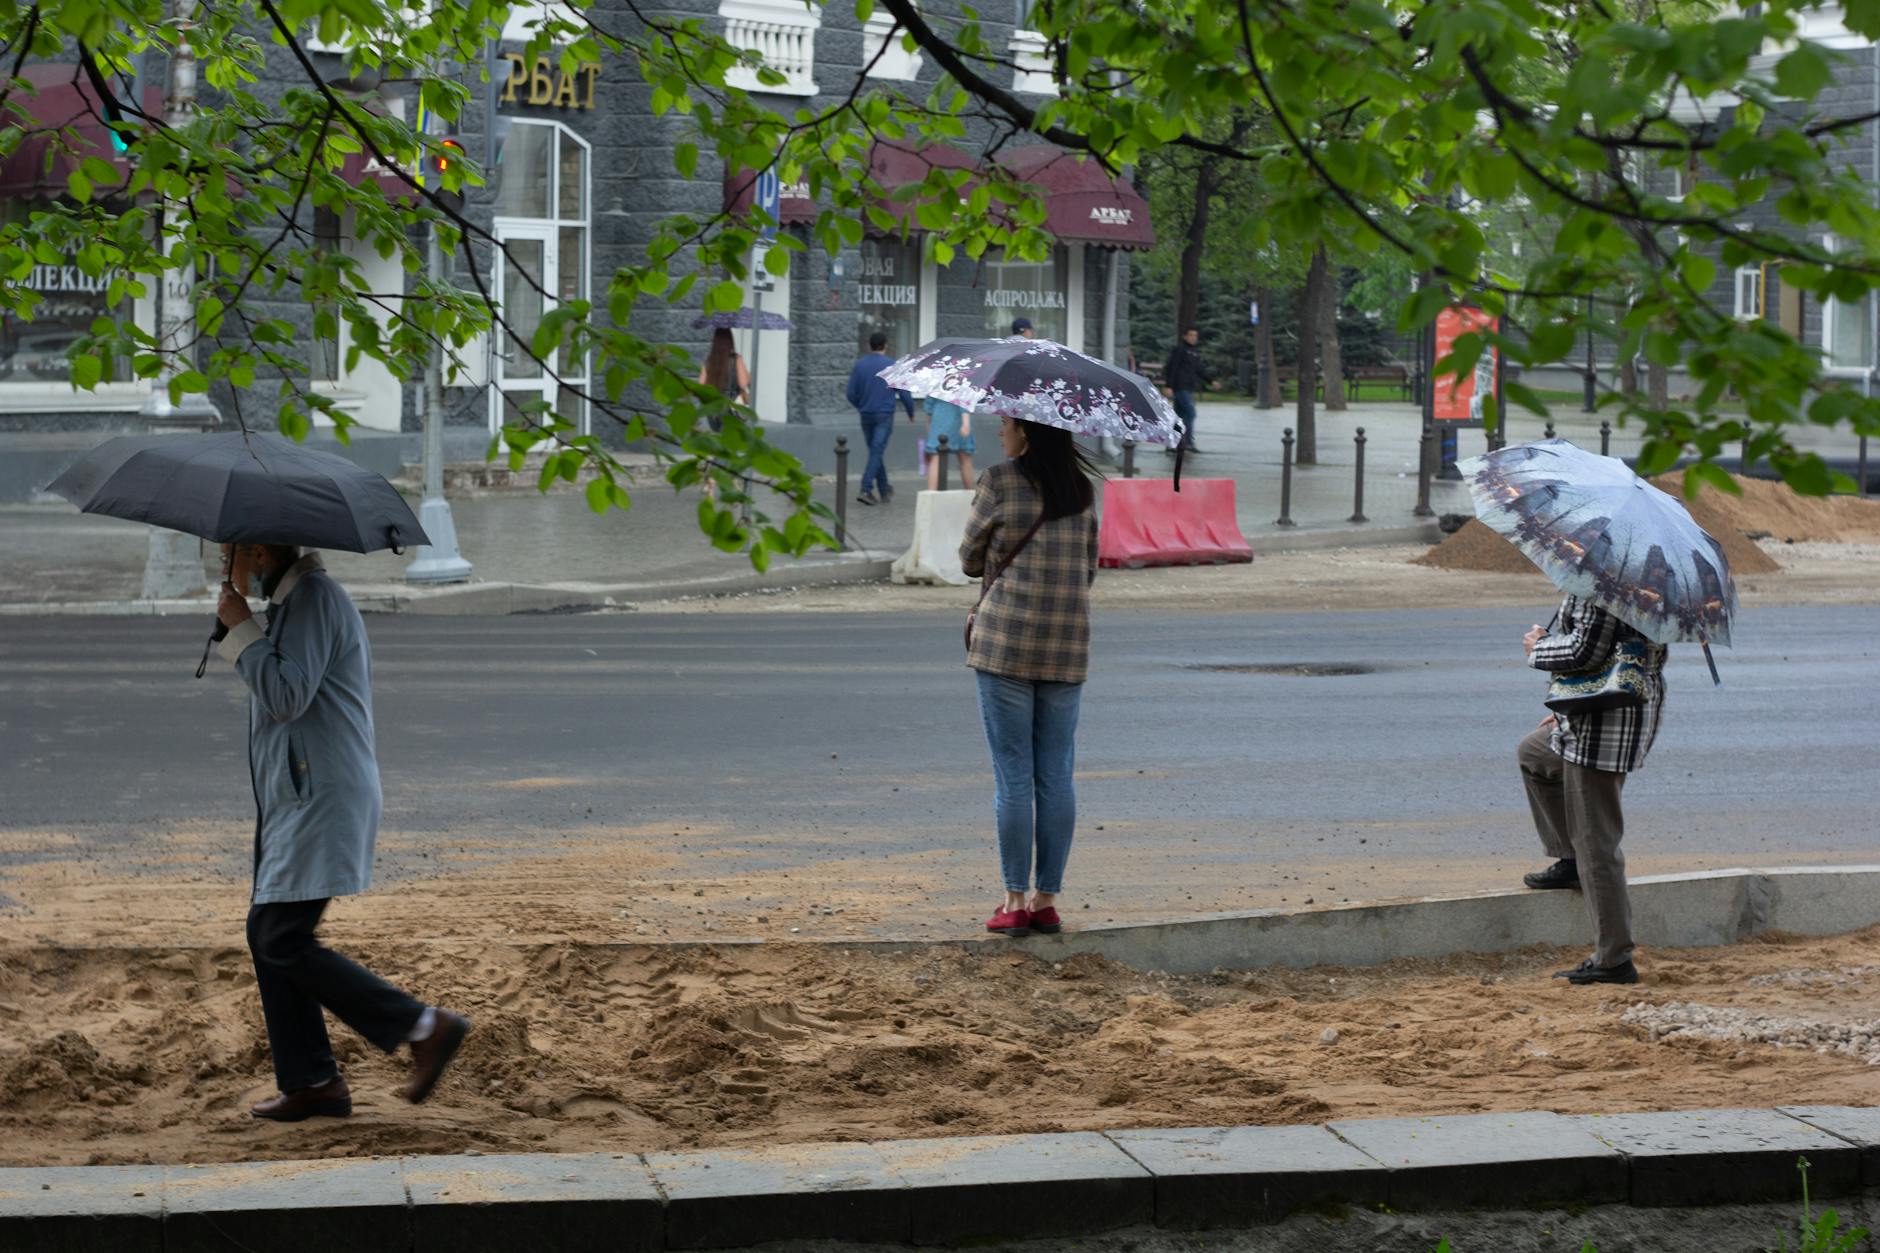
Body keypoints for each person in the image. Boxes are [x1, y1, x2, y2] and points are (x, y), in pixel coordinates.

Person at [216, 543, 470, 1120]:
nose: (224, 557)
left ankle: (425, 1026)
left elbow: (285, 696)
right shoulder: (295, 602)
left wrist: (242, 630)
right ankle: (312, 1083)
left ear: (258, 549)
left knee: (279, 935)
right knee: (269, 932)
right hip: (305, 794)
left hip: (321, 796)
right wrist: (246, 630)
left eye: (229, 547)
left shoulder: (311, 599)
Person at [959, 417, 1100, 939]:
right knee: (1056, 776)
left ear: (1028, 432)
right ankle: (1047, 900)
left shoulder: (998, 481)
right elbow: (1087, 569)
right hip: (1066, 646)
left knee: (1013, 776)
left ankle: (1014, 900)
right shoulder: (1080, 489)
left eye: (1007, 423)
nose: (1001, 432)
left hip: (1005, 647)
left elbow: (970, 559)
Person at [1517, 595, 1667, 986]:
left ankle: (1613, 958)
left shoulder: (1604, 587)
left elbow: (1587, 649)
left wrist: (1539, 647)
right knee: (1534, 754)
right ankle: (1570, 860)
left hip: (1604, 723)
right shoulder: (1641, 583)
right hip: (1603, 708)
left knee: (1596, 843)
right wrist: (1569, 698)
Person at [846, 331, 916, 505]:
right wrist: (910, 412)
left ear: (870, 346)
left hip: (866, 415)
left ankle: (885, 489)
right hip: (884, 415)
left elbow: (850, 393)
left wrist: (861, 406)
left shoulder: (860, 365)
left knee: (875, 452)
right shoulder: (892, 365)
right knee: (876, 452)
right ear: (885, 345)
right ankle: (866, 488)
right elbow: (904, 393)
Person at [697, 327, 751, 430]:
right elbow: (743, 383)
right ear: (730, 341)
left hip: (713, 411)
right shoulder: (736, 359)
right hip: (732, 409)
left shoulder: (709, 360)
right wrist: (748, 375)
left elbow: (701, 386)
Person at [1163, 327, 1206, 455]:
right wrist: (1169, 386)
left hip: (1189, 387)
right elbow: (1172, 367)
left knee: (1179, 416)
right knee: (1191, 413)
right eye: (1191, 335)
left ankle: (1173, 443)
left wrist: (1211, 381)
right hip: (1180, 387)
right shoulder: (1179, 350)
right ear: (1185, 336)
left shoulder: (1194, 352)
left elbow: (1199, 370)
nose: (1193, 338)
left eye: (1195, 336)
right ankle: (1187, 442)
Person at [924, 397, 976, 492]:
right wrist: (966, 423)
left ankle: (931, 496)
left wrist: (929, 425)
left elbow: (929, 406)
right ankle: (971, 495)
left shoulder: (934, 382)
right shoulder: (961, 382)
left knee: (935, 458)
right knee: (964, 458)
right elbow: (964, 400)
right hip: (958, 418)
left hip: (938, 417)